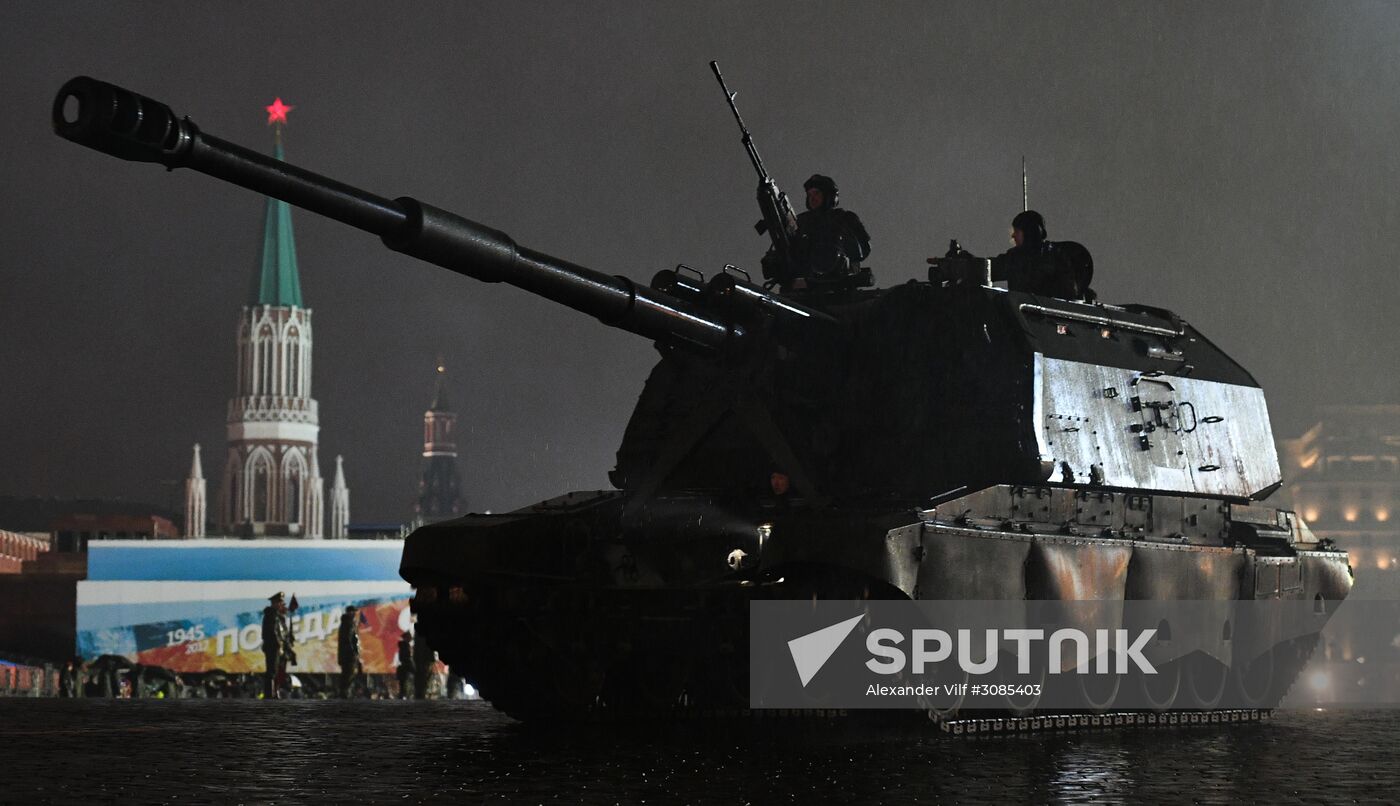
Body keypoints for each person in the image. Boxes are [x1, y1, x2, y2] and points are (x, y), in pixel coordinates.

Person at [763, 174, 871, 291]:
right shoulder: (800, 222)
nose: (812, 198)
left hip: (836, 286)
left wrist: (838, 235)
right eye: (809, 195)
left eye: (817, 193)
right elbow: (787, 249)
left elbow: (862, 250)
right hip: (801, 286)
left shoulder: (844, 218)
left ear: (829, 196)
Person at [987, 210, 1088, 300]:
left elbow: (1069, 293)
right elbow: (990, 268)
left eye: (1017, 231)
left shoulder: (1055, 258)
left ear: (1028, 232)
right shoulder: (1014, 257)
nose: (1013, 236)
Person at [261, 591, 292, 699]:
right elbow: (272, 632)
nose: (281, 604)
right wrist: (278, 645)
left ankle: (275, 692)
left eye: (281, 602)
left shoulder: (278, 616)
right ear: (274, 603)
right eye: (279, 602)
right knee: (272, 671)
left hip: (279, 648)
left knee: (278, 672)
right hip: (273, 647)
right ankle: (270, 694)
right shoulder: (271, 615)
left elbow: (282, 633)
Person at [337, 604, 362, 699]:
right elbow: (348, 640)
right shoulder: (348, 624)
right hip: (348, 656)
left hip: (347, 656)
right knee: (348, 675)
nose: (355, 614)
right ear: (349, 612)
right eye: (353, 612)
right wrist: (354, 653)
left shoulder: (347, 623)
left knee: (348, 675)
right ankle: (344, 694)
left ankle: (345, 693)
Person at [396, 630, 416, 700]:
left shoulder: (404, 645)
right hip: (406, 665)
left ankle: (402, 695)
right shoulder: (405, 645)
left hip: (404, 665)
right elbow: (405, 657)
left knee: (403, 682)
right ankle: (403, 695)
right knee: (403, 681)